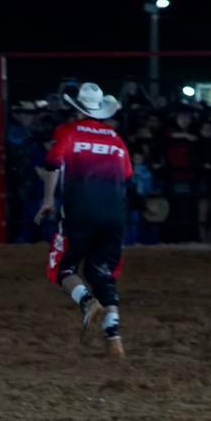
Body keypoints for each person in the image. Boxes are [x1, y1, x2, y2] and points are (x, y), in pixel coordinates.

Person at [35, 83, 134, 358]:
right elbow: (128, 177)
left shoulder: (68, 132)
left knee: (62, 268)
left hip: (80, 212)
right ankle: (114, 336)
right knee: (101, 272)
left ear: (77, 108)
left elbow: (53, 163)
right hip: (114, 214)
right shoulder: (116, 139)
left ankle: (87, 301)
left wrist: (47, 201)